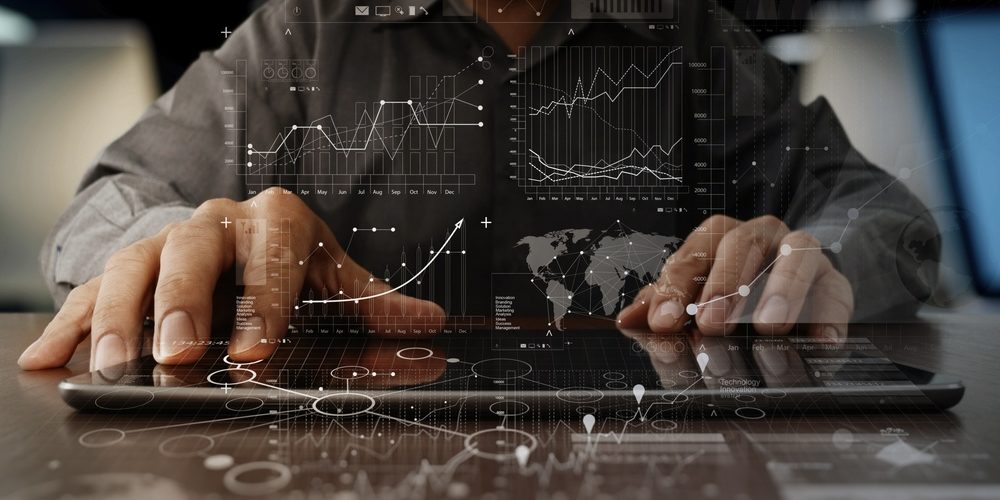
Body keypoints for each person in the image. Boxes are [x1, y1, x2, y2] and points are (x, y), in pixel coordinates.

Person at [18, 0, 938, 372]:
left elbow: (877, 212)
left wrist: (815, 261)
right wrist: (184, 239)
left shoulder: (692, 36)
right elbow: (112, 204)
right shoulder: (297, 31)